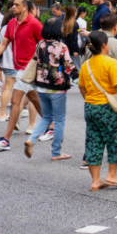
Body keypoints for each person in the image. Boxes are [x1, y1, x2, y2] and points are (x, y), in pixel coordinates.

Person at [0, 0, 43, 150]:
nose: (13, 7)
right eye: (13, 5)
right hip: (18, 68)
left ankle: (5, 140)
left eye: (17, 5)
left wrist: (41, 66)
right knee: (35, 99)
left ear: (25, 7)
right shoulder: (12, 23)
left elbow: (43, 45)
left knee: (15, 101)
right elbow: (3, 44)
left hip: (29, 69)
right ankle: (52, 126)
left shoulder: (35, 24)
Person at [80, 31, 117, 190]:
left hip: (90, 107)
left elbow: (82, 87)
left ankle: (95, 180)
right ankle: (111, 174)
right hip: (107, 108)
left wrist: (91, 100)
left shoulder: (86, 65)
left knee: (93, 142)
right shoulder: (111, 63)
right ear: (104, 45)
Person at [25, 17, 77, 161]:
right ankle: (56, 152)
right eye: (61, 26)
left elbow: (36, 60)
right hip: (57, 87)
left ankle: (32, 139)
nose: (62, 28)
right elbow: (68, 66)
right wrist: (77, 74)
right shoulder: (62, 46)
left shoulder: (40, 44)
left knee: (47, 117)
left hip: (41, 86)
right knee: (59, 120)